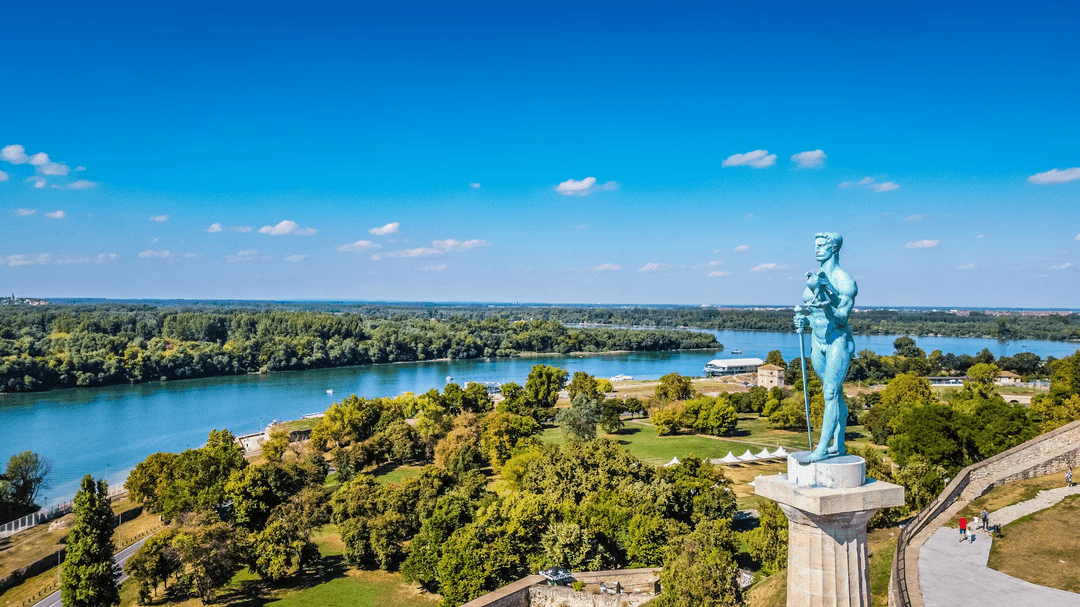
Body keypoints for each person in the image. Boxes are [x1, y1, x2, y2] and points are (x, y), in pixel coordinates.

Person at [792, 232, 858, 463]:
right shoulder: (815, 277)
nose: (816, 250)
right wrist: (804, 321)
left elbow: (840, 318)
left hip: (837, 340)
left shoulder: (844, 281)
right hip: (816, 340)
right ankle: (839, 445)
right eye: (815, 246)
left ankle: (821, 449)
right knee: (835, 393)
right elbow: (814, 314)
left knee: (830, 392)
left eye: (821, 246)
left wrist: (827, 307)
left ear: (834, 249)